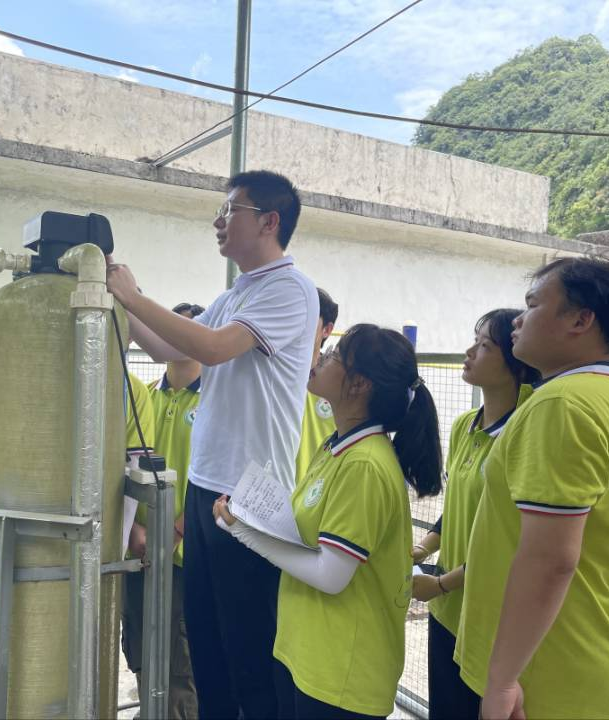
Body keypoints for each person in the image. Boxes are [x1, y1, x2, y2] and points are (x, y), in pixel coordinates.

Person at [106, 170, 318, 719]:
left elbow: (215, 348)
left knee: (248, 649)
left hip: (249, 492)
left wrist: (134, 295)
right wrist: (119, 301)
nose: (218, 221)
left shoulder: (290, 289)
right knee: (207, 645)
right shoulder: (236, 293)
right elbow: (167, 348)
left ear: (269, 221)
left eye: (231, 211)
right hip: (206, 488)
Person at [214, 324, 443, 719]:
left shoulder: (364, 464)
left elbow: (331, 575)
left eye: (336, 354)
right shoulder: (337, 446)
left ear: (359, 385)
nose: (321, 356)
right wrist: (250, 513)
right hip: (306, 652)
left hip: (342, 675)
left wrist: (245, 532)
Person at [455, 257, 609, 719]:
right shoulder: (608, 395)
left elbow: (550, 560)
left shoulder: (563, 403)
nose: (517, 320)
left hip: (550, 670)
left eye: (532, 305)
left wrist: (502, 680)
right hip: (588, 653)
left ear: (580, 320)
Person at [410, 309, 540, 719]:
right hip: (448, 610)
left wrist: (441, 583)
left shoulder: (526, 431)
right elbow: (458, 508)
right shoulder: (465, 424)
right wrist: (422, 549)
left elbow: (513, 542)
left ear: (518, 363)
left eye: (485, 346)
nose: (469, 352)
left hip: (491, 615)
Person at [122, 302, 205, 720]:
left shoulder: (214, 400)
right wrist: (133, 532)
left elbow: (218, 476)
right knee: (140, 648)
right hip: (140, 552)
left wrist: (175, 531)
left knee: (180, 662)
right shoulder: (146, 396)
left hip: (184, 557)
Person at [295, 288, 339, 483]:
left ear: (326, 330)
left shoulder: (337, 386)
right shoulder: (268, 375)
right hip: (265, 493)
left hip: (313, 495)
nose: (294, 324)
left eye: (305, 317)